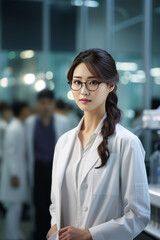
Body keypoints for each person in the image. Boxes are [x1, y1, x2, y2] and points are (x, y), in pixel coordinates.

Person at [47, 48, 150, 240]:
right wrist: (54, 226)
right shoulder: (64, 142)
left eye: (93, 82)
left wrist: (90, 235)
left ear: (110, 86)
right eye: (77, 82)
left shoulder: (126, 143)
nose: (83, 91)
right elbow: (56, 202)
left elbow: (139, 215)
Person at [25, 89, 71, 240]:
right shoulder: (30, 123)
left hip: (55, 168)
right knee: (39, 206)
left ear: (53, 104)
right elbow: (27, 151)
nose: (46, 107)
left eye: (49, 103)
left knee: (56, 206)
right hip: (38, 168)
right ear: (38, 104)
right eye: (42, 103)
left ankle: (54, 236)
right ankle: (39, 235)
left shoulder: (63, 122)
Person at [0, 101, 30, 240]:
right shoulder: (15, 129)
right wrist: (14, 175)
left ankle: (13, 234)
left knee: (15, 209)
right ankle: (11, 236)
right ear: (23, 110)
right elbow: (11, 154)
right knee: (14, 209)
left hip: (17, 173)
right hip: (14, 175)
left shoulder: (18, 126)